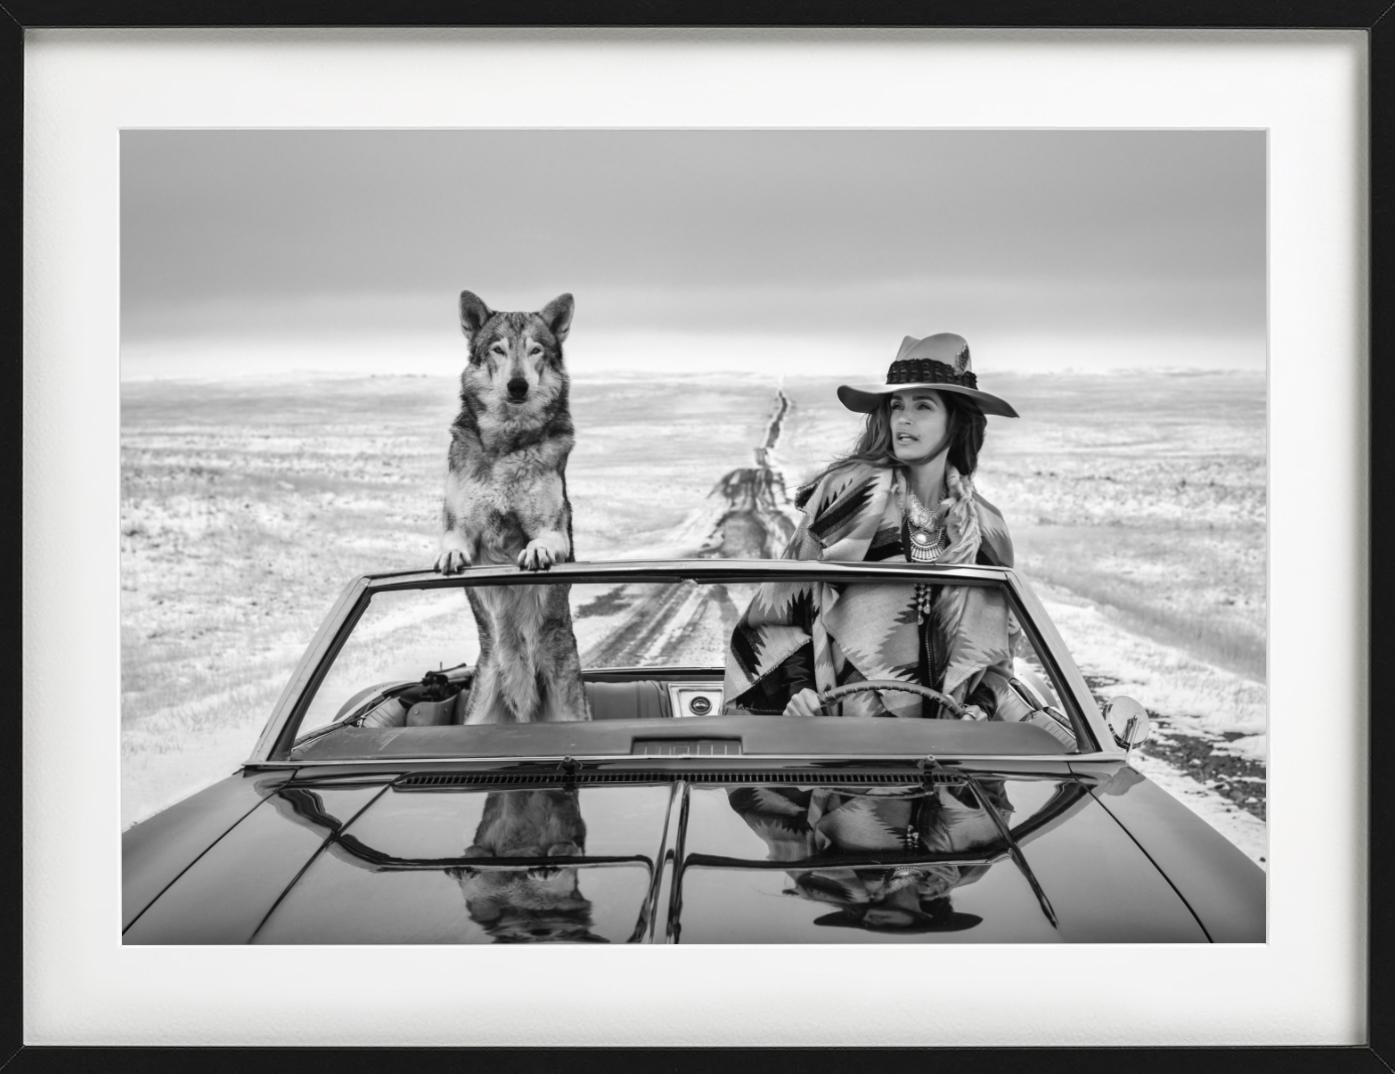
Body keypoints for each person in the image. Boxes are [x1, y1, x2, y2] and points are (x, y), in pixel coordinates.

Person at [723, 332, 1021, 719]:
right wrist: (802, 693)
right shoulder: (847, 497)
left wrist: (981, 707)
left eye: (923, 406)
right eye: (897, 405)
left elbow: (999, 644)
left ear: (957, 420)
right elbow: (785, 606)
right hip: (847, 729)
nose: (904, 418)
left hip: (948, 740)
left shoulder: (985, 526)